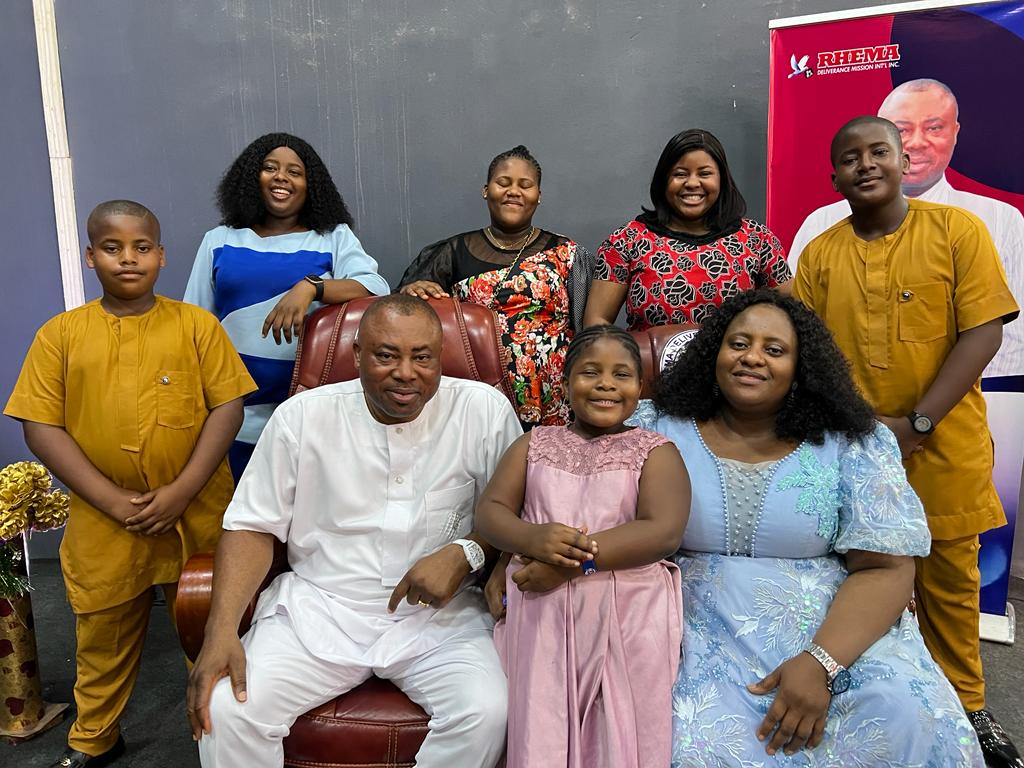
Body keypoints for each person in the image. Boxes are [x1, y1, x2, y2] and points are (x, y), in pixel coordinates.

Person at [637, 289, 984, 766]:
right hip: (685, 627)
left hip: (831, 630)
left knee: (910, 714)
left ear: (801, 368)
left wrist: (820, 664)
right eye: (738, 343)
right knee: (687, 744)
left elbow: (885, 568)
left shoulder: (853, 442)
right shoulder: (651, 428)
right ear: (713, 353)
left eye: (774, 349)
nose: (752, 357)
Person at [187, 295, 522, 768]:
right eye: (386, 355)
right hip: (318, 610)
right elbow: (251, 526)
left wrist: (468, 550)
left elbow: (512, 515)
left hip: (441, 617)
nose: (406, 373)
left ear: (441, 356)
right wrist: (220, 630)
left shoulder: (483, 409)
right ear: (358, 353)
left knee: (488, 712)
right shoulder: (301, 417)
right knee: (227, 710)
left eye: (422, 357)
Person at [793, 117, 1022, 767]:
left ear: (903, 161)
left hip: (943, 444)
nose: (865, 164)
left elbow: (984, 332)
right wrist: (853, 429)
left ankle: (970, 708)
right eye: (850, 158)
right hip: (852, 449)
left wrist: (917, 424)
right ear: (834, 177)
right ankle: (869, 702)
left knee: (950, 584)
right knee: (855, 579)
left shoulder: (957, 231)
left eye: (878, 152)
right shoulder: (820, 254)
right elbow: (807, 351)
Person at [4, 200, 256, 768]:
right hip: (105, 519)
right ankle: (94, 737)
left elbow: (228, 408)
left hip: (195, 511)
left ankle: (222, 737)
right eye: (112, 248)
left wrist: (181, 491)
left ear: (161, 256)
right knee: (102, 633)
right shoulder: (61, 335)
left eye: (141, 247)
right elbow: (40, 425)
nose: (128, 258)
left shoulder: (196, 326)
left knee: (211, 625)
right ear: (90, 257)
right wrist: (112, 500)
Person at [475, 325, 689, 768]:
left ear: (640, 387)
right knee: (541, 723)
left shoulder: (655, 451)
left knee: (615, 729)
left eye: (621, 375)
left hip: (626, 610)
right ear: (566, 382)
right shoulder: (534, 443)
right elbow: (491, 512)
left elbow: (663, 531)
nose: (606, 384)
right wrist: (531, 537)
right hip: (542, 610)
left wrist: (576, 562)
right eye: (590, 372)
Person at [184, 132, 390, 480]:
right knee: (236, 510)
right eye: (270, 168)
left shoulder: (332, 237)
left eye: (295, 172)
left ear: (312, 185)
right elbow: (195, 324)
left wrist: (311, 287)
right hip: (231, 417)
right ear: (253, 178)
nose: (282, 177)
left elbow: (375, 288)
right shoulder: (220, 240)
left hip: (308, 414)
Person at [787, 78, 1024, 378]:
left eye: (934, 128)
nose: (917, 141)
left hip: (969, 403)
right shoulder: (820, 231)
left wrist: (933, 406)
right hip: (845, 406)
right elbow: (799, 334)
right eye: (902, 130)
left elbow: (1006, 339)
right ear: (835, 179)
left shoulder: (985, 222)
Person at [398, 145, 594, 428]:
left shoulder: (567, 253)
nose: (514, 191)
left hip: (553, 399)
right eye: (503, 183)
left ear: (538, 195)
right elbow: (404, 318)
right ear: (486, 190)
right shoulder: (450, 253)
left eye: (525, 185)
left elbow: (589, 332)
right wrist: (414, 292)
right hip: (474, 395)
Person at [584, 129, 791, 332]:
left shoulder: (758, 239)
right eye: (680, 174)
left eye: (705, 173)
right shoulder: (627, 240)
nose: (692, 183)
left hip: (732, 356)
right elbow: (596, 323)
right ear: (663, 180)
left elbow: (790, 318)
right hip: (650, 356)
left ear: (722, 179)